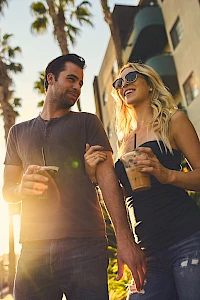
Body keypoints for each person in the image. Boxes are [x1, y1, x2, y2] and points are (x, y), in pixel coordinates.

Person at [2, 54, 146, 300]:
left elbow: (107, 179)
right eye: (71, 79)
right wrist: (21, 189)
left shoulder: (88, 123)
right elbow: (7, 191)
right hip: (32, 251)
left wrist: (125, 239)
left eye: (80, 82)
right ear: (51, 79)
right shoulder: (17, 133)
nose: (77, 88)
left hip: (85, 246)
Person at [84, 62, 200, 300]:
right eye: (119, 83)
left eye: (131, 77)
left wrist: (166, 174)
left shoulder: (174, 120)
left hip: (187, 240)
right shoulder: (124, 141)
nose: (124, 84)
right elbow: (123, 196)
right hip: (147, 250)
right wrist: (93, 176)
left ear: (149, 83)